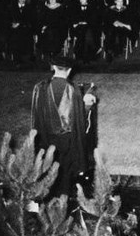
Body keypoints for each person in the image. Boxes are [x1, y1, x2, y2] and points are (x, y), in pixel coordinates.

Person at [31, 55, 96, 198]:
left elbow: (36, 115)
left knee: (46, 169)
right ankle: (62, 200)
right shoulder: (73, 90)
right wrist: (87, 105)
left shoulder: (40, 87)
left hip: (45, 136)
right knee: (65, 171)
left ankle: (45, 198)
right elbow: (79, 118)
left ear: (53, 68)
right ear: (70, 70)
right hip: (67, 138)